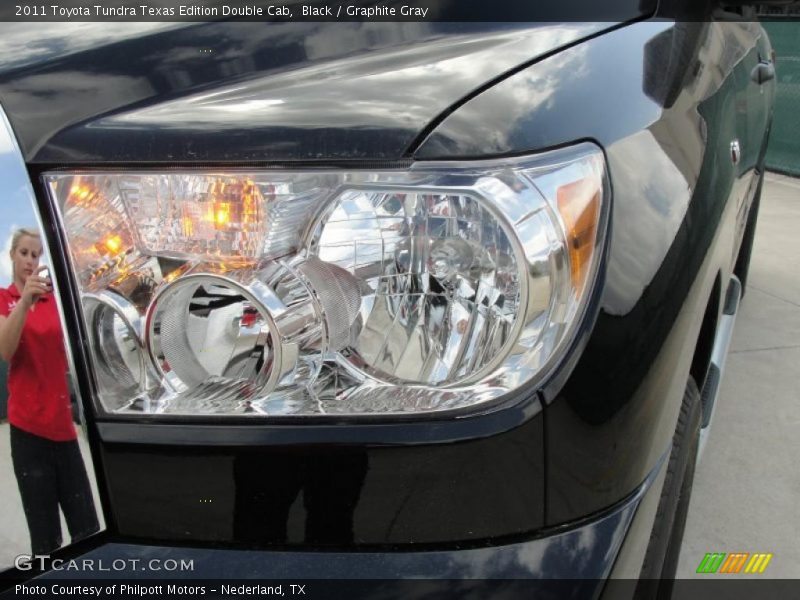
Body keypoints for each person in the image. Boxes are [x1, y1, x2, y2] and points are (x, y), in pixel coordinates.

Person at [0, 227, 99, 555]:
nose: (30, 260)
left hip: (63, 429)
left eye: (35, 255)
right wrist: (24, 299)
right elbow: (5, 350)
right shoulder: (4, 299)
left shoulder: (54, 301)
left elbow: (73, 352)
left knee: (87, 528)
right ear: (12, 255)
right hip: (28, 432)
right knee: (46, 538)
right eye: (24, 253)